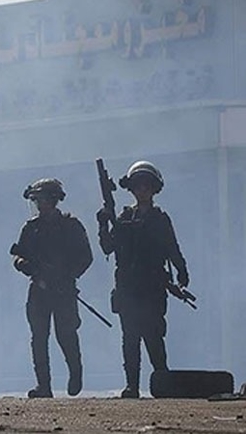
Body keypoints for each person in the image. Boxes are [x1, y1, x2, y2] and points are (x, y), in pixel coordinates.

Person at [96, 160, 189, 398]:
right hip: (128, 288)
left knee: (154, 336)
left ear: (154, 189)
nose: (142, 190)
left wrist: (182, 272)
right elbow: (108, 247)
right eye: (138, 186)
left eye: (146, 186)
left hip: (152, 287)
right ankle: (132, 386)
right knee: (130, 339)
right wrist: (103, 223)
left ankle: (162, 381)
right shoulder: (124, 217)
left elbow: (172, 248)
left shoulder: (160, 219)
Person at [11, 178, 93, 398]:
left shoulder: (71, 226)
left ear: (54, 200)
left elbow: (86, 257)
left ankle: (75, 372)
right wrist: (25, 266)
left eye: (43, 199)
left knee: (66, 334)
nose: (40, 204)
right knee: (39, 337)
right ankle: (43, 386)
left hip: (63, 290)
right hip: (39, 290)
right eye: (37, 200)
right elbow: (18, 255)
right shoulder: (31, 228)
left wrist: (67, 276)